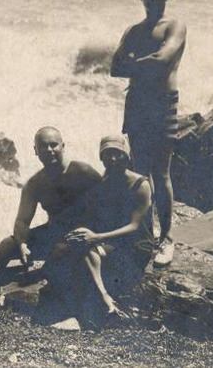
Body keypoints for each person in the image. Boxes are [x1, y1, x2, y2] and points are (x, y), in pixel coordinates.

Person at [0, 126, 102, 301]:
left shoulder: (83, 172)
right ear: (35, 150)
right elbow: (22, 221)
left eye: (54, 145)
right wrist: (22, 243)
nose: (49, 150)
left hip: (84, 235)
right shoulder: (36, 183)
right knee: (8, 243)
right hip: (54, 235)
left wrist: (97, 235)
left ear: (63, 146)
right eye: (43, 146)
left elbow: (107, 204)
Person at [111, 0, 186, 267]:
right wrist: (143, 64)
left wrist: (135, 63)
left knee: (161, 173)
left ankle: (166, 238)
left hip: (162, 105)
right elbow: (115, 68)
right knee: (139, 173)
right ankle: (143, 236)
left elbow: (163, 60)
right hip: (137, 104)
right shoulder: (133, 31)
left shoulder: (175, 26)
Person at [65, 135, 154, 318]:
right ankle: (105, 297)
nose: (112, 160)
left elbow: (134, 226)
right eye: (107, 155)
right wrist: (82, 232)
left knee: (88, 251)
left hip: (137, 246)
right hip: (116, 243)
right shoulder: (104, 183)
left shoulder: (141, 184)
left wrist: (96, 237)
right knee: (80, 246)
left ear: (127, 157)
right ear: (101, 158)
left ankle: (104, 298)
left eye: (117, 154)